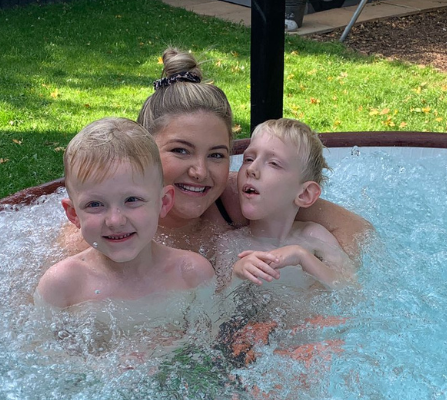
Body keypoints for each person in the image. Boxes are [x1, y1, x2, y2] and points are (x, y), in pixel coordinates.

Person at [60, 47, 373, 265]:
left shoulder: (237, 199)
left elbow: (356, 230)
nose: (200, 171)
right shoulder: (101, 230)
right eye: (180, 150)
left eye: (217, 155)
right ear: (144, 148)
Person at [36, 117, 215, 308]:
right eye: (95, 204)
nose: (115, 221)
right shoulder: (62, 286)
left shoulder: (192, 274)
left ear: (163, 202)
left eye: (132, 200)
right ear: (73, 214)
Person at [223, 118, 356, 290]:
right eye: (248, 159)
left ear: (304, 194)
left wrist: (301, 256)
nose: (251, 169)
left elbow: (352, 290)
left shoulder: (314, 236)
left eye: (273, 163)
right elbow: (215, 304)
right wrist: (236, 274)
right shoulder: (230, 244)